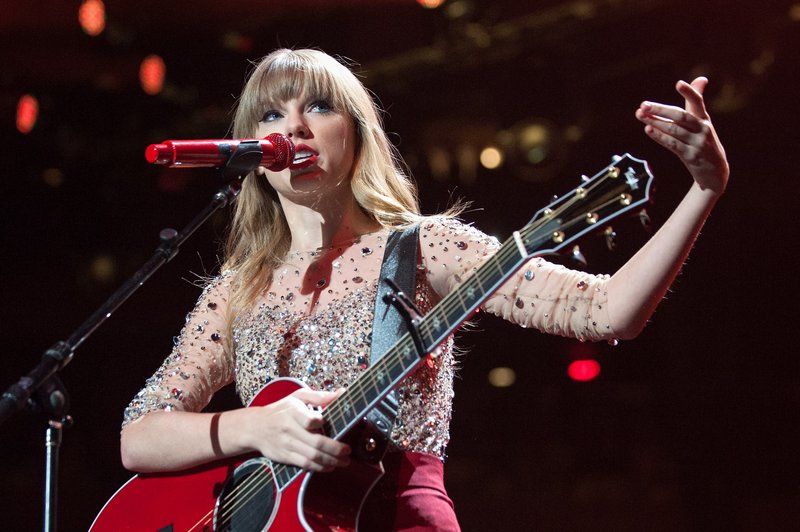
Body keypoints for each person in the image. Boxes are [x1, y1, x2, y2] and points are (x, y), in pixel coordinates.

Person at [119, 48, 728, 530]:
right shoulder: (237, 290)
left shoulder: (426, 247)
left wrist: (703, 189)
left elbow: (606, 312)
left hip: (400, 515)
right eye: (272, 115)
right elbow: (140, 436)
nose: (294, 128)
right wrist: (253, 428)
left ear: (356, 134)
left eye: (319, 109)